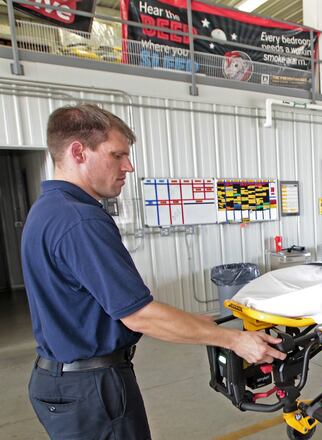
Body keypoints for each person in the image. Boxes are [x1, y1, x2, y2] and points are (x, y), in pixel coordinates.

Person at [22, 104, 285, 439]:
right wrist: (236, 340)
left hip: (62, 380)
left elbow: (92, 302)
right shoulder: (80, 221)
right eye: (117, 155)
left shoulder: (47, 209)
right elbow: (138, 315)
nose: (128, 167)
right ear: (78, 152)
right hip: (92, 388)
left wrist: (191, 323)